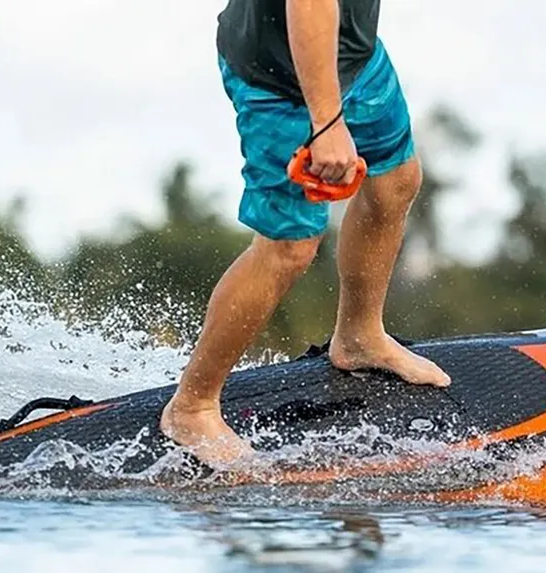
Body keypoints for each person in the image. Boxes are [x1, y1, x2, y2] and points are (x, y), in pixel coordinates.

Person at [159, 0, 452, 467]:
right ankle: (192, 406)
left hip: (356, 60)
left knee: (396, 181)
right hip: (280, 79)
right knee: (289, 247)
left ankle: (359, 337)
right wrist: (328, 121)